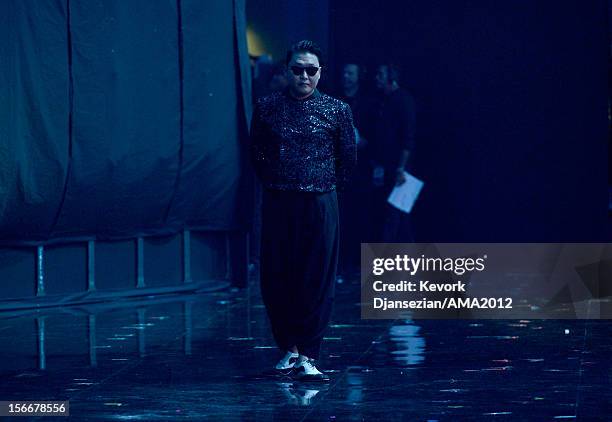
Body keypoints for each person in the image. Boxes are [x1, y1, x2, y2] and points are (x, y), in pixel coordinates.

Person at [249, 40, 356, 381]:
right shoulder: (267, 108)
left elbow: (348, 159)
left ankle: (310, 354)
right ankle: (289, 350)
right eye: (298, 69)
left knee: (317, 278)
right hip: (280, 201)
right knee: (277, 277)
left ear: (321, 72)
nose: (305, 76)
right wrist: (280, 181)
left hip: (320, 202)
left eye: (312, 70)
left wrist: (323, 184)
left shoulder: (337, 110)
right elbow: (257, 154)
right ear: (287, 70)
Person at [336, 63, 375, 275]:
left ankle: (360, 263)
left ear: (359, 76)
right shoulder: (335, 101)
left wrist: (362, 141)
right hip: (341, 167)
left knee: (361, 215)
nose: (346, 76)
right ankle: (342, 262)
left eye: (350, 73)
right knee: (342, 216)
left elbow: (376, 136)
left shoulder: (368, 104)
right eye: (344, 72)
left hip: (361, 167)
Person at [371, 63, 417, 241]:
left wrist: (402, 168)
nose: (377, 78)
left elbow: (408, 138)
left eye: (381, 74)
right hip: (389, 169)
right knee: (400, 219)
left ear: (392, 77)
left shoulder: (404, 100)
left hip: (401, 171)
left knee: (394, 218)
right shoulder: (384, 101)